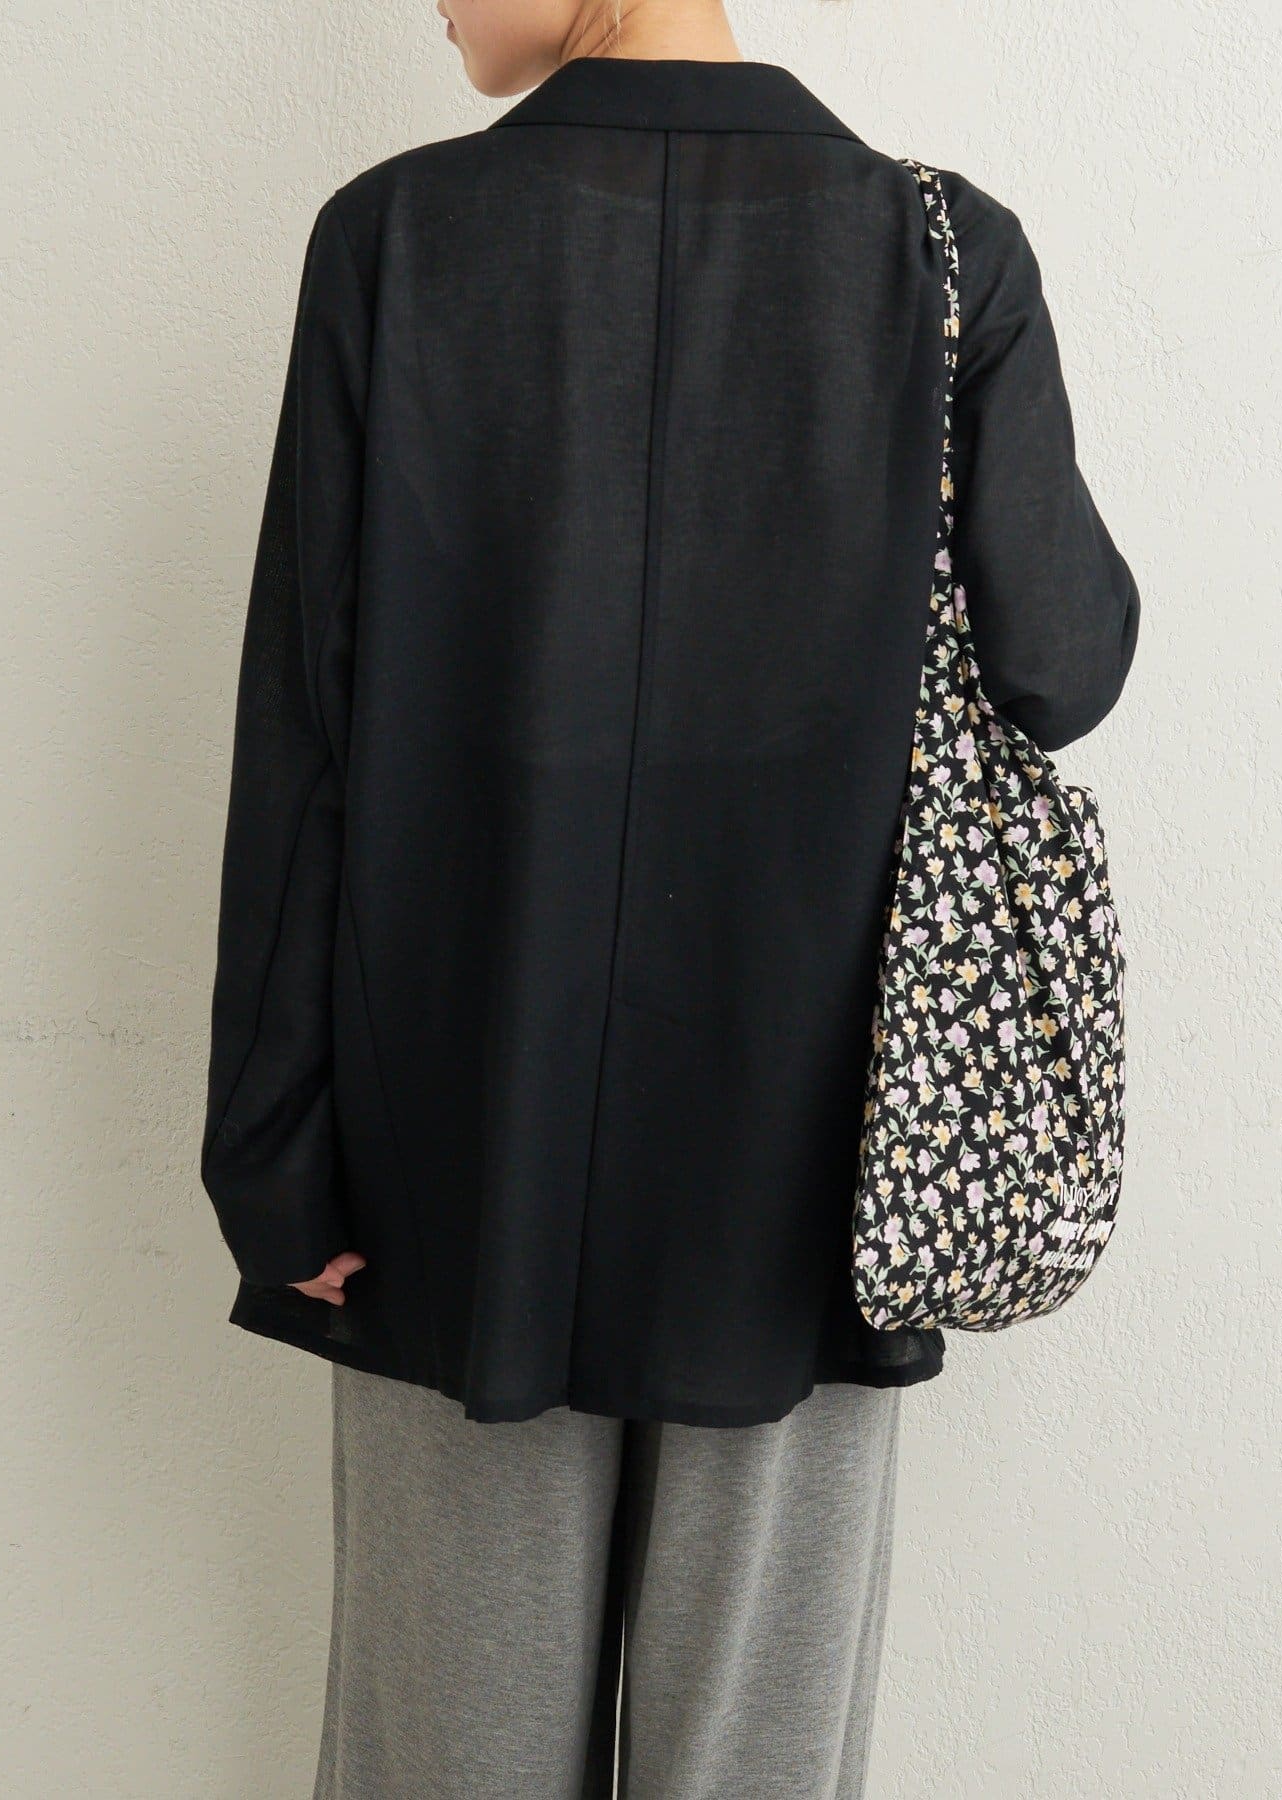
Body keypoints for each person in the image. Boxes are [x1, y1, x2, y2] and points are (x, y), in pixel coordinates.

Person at [199, 0, 1141, 1792]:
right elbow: (1062, 667)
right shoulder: (944, 251)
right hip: (813, 1179)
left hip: (450, 1164)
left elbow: (303, 735)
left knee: (443, 1763)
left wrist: (272, 1153)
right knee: (753, 1767)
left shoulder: (394, 237)